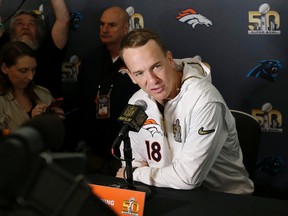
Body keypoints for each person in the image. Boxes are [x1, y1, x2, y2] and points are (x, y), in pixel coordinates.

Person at [116, 28, 254, 194]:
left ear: (169, 59)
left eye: (157, 66)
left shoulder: (205, 100)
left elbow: (188, 178)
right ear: (131, 76)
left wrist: (136, 174)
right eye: (139, 73)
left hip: (224, 200)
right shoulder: (137, 102)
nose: (152, 80)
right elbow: (132, 161)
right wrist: (136, 171)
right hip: (167, 193)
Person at [77, 6, 139, 176]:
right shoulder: (91, 59)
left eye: (111, 25)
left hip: (128, 156)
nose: (104, 29)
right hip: (92, 152)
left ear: (125, 28)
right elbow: (80, 99)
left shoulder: (137, 61)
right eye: (102, 24)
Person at [0, 0, 70, 98]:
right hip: (9, 111)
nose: (25, 27)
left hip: (47, 110)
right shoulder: (4, 47)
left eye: (31, 24)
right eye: (19, 23)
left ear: (38, 30)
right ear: (11, 29)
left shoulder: (50, 49)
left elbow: (63, 20)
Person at [0, 41, 64, 131]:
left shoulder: (43, 94)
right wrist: (32, 124)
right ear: (5, 69)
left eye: (33, 70)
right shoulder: (2, 102)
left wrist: (56, 121)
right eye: (23, 70)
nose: (30, 77)